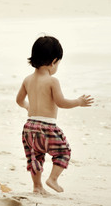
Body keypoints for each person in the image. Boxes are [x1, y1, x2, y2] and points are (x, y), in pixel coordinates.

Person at [16, 36, 94, 194]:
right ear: (53, 61)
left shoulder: (27, 79)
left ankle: (37, 186)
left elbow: (19, 100)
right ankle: (52, 179)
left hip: (29, 127)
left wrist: (28, 107)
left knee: (34, 157)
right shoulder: (52, 81)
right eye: (58, 63)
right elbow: (61, 102)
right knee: (63, 152)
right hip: (47, 127)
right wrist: (78, 102)